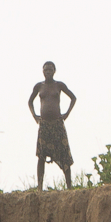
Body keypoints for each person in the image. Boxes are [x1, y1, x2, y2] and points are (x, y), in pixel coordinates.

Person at [28, 61, 77, 189]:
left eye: (50, 69)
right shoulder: (39, 86)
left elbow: (73, 98)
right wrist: (34, 116)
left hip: (57, 124)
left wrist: (66, 114)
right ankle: (39, 187)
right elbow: (30, 101)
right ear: (42, 72)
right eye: (45, 70)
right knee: (41, 155)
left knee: (64, 154)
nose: (48, 72)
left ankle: (69, 187)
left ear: (54, 71)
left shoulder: (59, 85)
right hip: (44, 124)